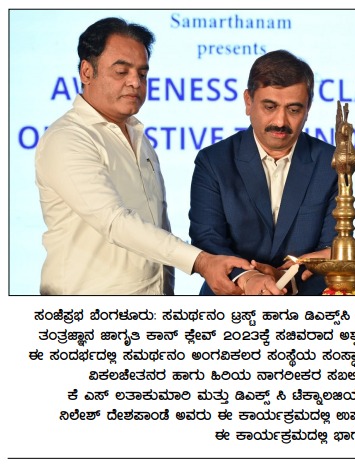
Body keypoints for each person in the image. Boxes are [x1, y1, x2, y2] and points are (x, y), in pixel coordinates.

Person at [35, 17, 250, 295]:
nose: (135, 82)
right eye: (121, 71)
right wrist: (201, 261)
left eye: (142, 74)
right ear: (87, 72)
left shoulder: (137, 134)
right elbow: (115, 221)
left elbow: (156, 225)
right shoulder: (68, 138)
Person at [189, 50, 337, 296]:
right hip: (231, 298)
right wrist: (248, 277)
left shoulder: (331, 162)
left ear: (308, 108)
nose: (280, 121)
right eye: (270, 107)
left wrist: (287, 279)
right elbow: (207, 238)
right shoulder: (213, 161)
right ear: (248, 102)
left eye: (293, 110)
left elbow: (332, 246)